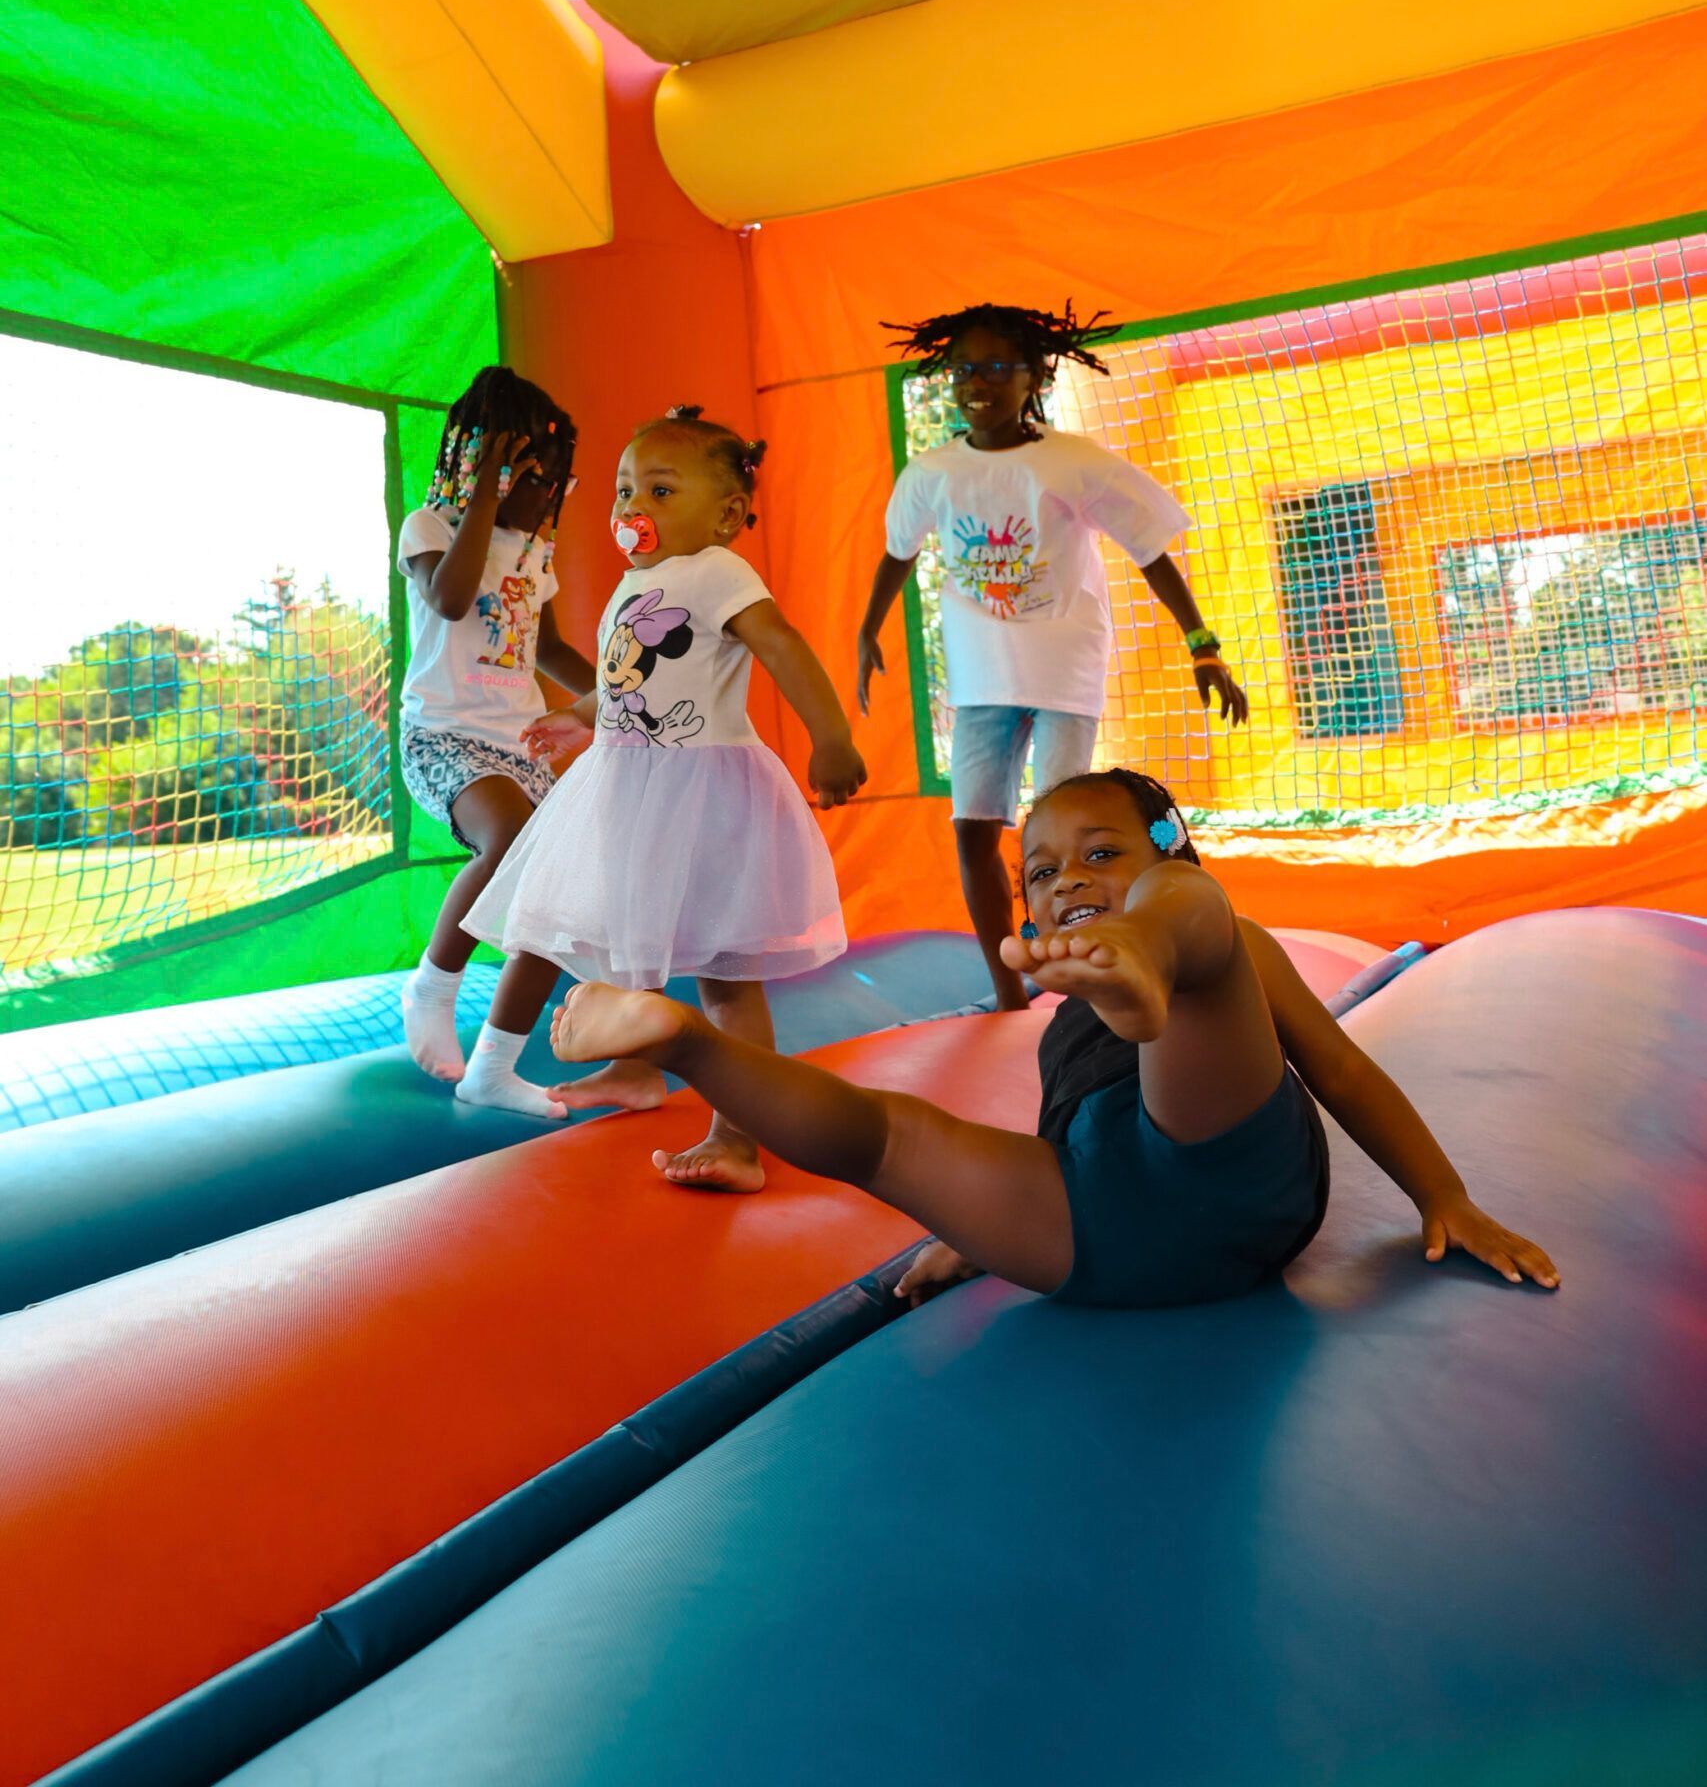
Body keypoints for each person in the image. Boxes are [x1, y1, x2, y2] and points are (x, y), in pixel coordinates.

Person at [552, 766, 1560, 1306]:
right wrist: (983, 1223)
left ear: (1163, 845)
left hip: (1223, 1167)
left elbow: (1335, 1064)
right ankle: (686, 1038)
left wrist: (1446, 1194)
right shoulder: (1062, 1020)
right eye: (1040, 872)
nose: (1065, 877)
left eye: (1100, 854)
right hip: (1095, 1230)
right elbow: (1056, 1150)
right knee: (890, 1135)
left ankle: (1154, 954)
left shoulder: (1217, 930)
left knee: (1203, 926)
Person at [465, 404, 868, 1177]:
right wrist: (580, 717)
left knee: (723, 977)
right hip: (626, 786)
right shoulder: (635, 583)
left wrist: (832, 737)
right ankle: (636, 1068)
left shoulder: (719, 572)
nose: (633, 509)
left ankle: (737, 1137)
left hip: (703, 793)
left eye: (659, 491)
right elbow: (627, 682)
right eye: (624, 491)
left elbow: (780, 645)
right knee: (625, 949)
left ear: (726, 514)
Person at [858, 299, 1248, 1011]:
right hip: (982, 675)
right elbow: (897, 554)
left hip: (1062, 666)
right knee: (973, 828)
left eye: (997, 369)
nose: (978, 384)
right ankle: (1008, 987)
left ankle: (1084, 963)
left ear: (1034, 375)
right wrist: (866, 631)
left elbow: (1149, 550)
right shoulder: (933, 472)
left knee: (1064, 833)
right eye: (964, 370)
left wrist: (1202, 645)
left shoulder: (1069, 462)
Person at [398, 365, 626, 1106]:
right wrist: (487, 497)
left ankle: (496, 1065)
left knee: (559, 883)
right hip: (444, 737)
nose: (551, 497)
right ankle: (433, 985)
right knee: (509, 842)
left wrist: (615, 689)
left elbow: (544, 648)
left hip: (518, 742)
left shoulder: (534, 552)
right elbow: (452, 597)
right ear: (488, 470)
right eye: (537, 479)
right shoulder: (430, 526)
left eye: (561, 482)